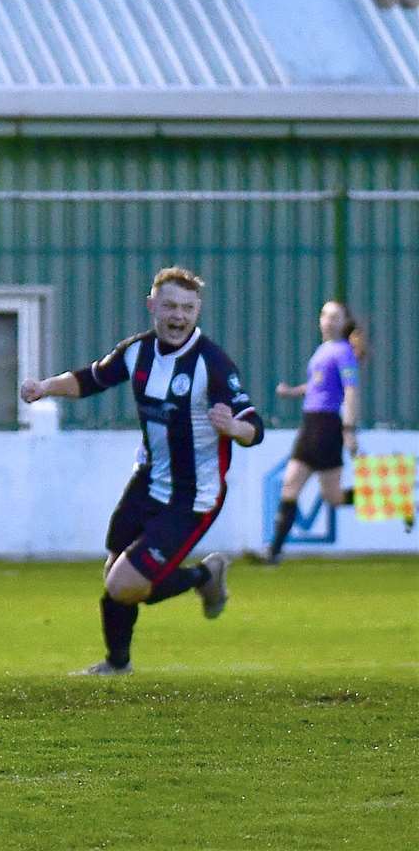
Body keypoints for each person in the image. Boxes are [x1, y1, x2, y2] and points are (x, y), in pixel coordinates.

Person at [20, 267, 265, 676]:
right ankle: (118, 664)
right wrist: (45, 387)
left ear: (198, 311)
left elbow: (254, 427)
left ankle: (207, 573)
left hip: (194, 497)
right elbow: (91, 379)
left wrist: (234, 427)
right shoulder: (138, 352)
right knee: (116, 575)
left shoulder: (213, 364)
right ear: (152, 305)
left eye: (187, 308)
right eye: (169, 305)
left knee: (124, 584)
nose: (178, 316)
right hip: (148, 482)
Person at [266, 302, 366, 563]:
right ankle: (273, 553)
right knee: (290, 485)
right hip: (309, 424)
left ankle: (386, 496)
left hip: (327, 427)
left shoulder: (344, 352)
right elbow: (318, 385)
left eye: (335, 317)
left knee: (333, 497)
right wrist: (292, 392)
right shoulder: (324, 349)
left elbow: (351, 390)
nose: (328, 320)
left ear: (344, 322)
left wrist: (349, 429)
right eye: (325, 315)